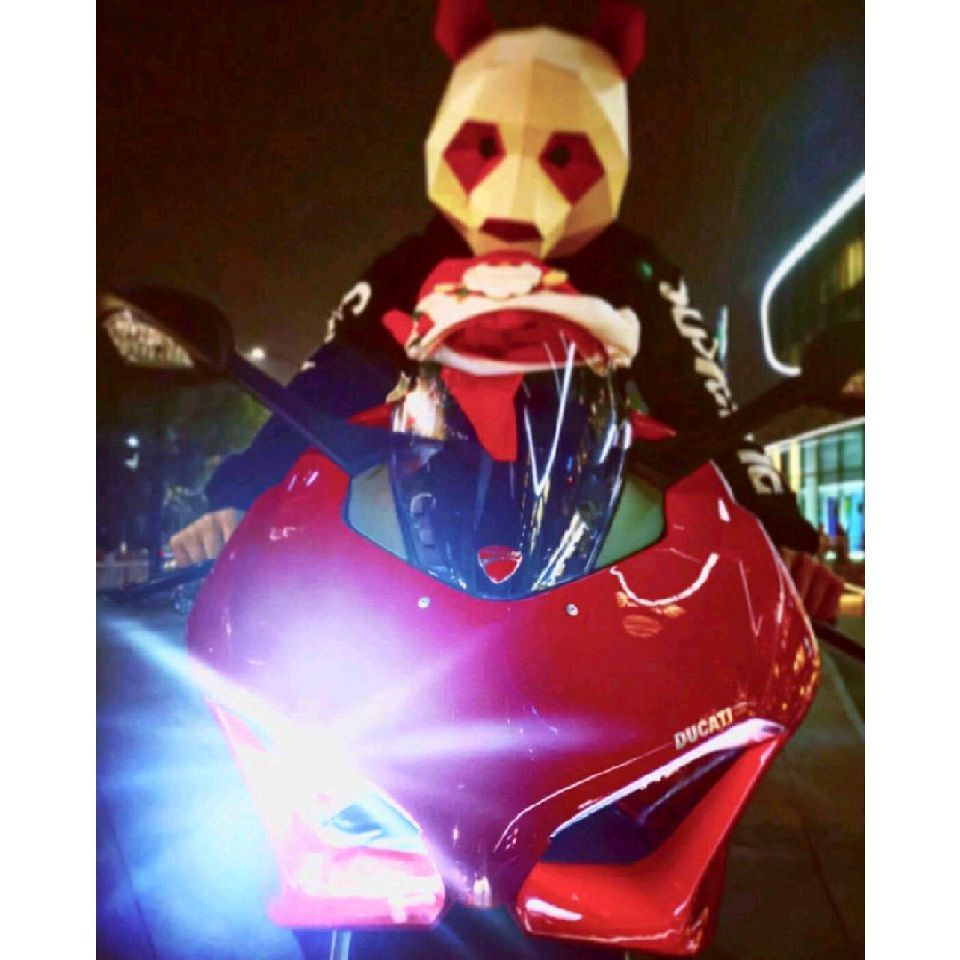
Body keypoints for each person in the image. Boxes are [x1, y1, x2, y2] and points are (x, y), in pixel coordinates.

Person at [170, 0, 842, 621]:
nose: (517, 189)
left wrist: (778, 533)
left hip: (596, 562)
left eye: (560, 156)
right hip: (414, 556)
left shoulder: (632, 272)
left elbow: (704, 407)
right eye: (487, 147)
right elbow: (326, 388)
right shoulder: (409, 267)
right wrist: (243, 498)